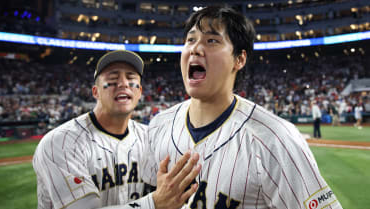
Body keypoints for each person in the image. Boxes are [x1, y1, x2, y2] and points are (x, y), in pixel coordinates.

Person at [142, 6, 343, 209]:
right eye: (191, 40)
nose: (195, 48)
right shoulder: (159, 125)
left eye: (212, 40)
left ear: (239, 59)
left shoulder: (275, 139)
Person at [32, 50, 201, 209]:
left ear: (140, 91)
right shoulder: (61, 143)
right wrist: (154, 203)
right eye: (113, 78)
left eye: (130, 78)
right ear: (95, 92)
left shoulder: (151, 138)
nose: (123, 83)